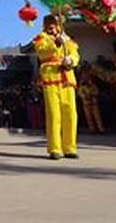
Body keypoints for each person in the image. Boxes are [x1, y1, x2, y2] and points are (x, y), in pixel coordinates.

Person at [33, 15, 80, 160]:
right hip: (51, 78)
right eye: (48, 24)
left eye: (53, 23)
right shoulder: (41, 38)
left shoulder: (68, 40)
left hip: (67, 78)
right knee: (54, 114)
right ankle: (55, 148)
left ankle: (70, 148)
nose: (51, 26)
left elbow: (75, 54)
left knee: (70, 113)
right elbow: (42, 53)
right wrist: (56, 44)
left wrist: (70, 60)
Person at [77, 65, 104, 134]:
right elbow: (79, 93)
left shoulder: (92, 84)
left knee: (97, 116)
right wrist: (84, 96)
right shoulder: (81, 85)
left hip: (93, 101)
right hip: (86, 102)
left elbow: (96, 91)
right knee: (88, 117)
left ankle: (100, 128)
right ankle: (92, 129)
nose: (85, 76)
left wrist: (92, 95)